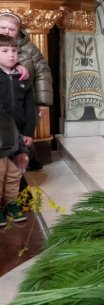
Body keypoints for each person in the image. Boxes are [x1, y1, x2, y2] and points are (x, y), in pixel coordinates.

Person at [0, 12, 53, 170]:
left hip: (23, 92)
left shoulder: (29, 48)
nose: (6, 31)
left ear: (18, 31)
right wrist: (16, 65)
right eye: (2, 27)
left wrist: (43, 102)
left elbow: (42, 72)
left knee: (24, 128)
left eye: (11, 29)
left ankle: (26, 158)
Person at [0, 34, 34, 224]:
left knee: (14, 173)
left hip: (18, 134)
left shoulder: (22, 77)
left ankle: (12, 205)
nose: (11, 55)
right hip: (1, 135)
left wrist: (28, 131)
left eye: (14, 50)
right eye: (5, 51)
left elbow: (30, 106)